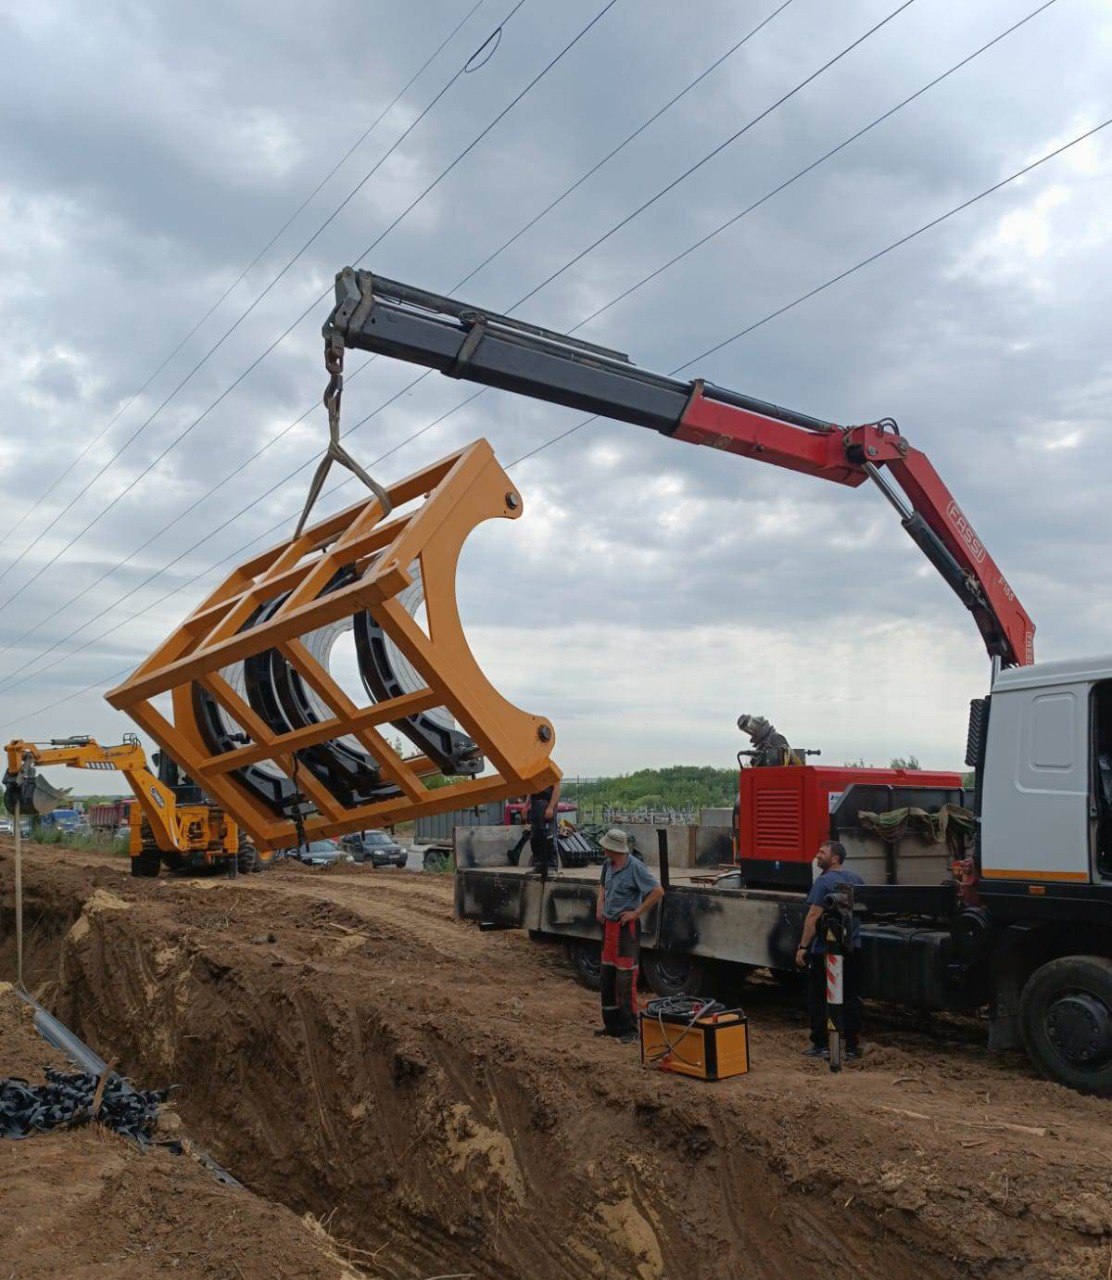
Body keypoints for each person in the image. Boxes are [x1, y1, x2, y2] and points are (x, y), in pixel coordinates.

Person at [795, 840, 865, 1059]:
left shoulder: (823, 882)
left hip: (824, 950)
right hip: (852, 948)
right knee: (850, 998)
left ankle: (821, 1044)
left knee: (817, 998)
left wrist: (803, 946)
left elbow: (814, 916)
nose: (817, 855)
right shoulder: (856, 880)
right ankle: (852, 1047)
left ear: (835, 858)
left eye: (822, 852)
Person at [594, 828, 664, 1041]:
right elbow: (602, 886)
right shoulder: (608, 864)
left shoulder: (635, 868)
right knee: (607, 977)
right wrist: (600, 905)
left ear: (615, 849)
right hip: (609, 928)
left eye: (606, 848)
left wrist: (636, 913)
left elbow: (658, 891)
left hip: (626, 931)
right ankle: (611, 1025)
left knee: (625, 980)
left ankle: (630, 1030)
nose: (604, 851)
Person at [525, 781, 561, 868]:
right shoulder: (533, 772)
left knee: (549, 837)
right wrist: (526, 805)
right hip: (535, 806)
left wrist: (550, 807)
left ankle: (551, 865)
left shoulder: (550, 771)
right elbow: (531, 790)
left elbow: (557, 788)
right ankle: (538, 865)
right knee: (535, 837)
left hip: (546, 805)